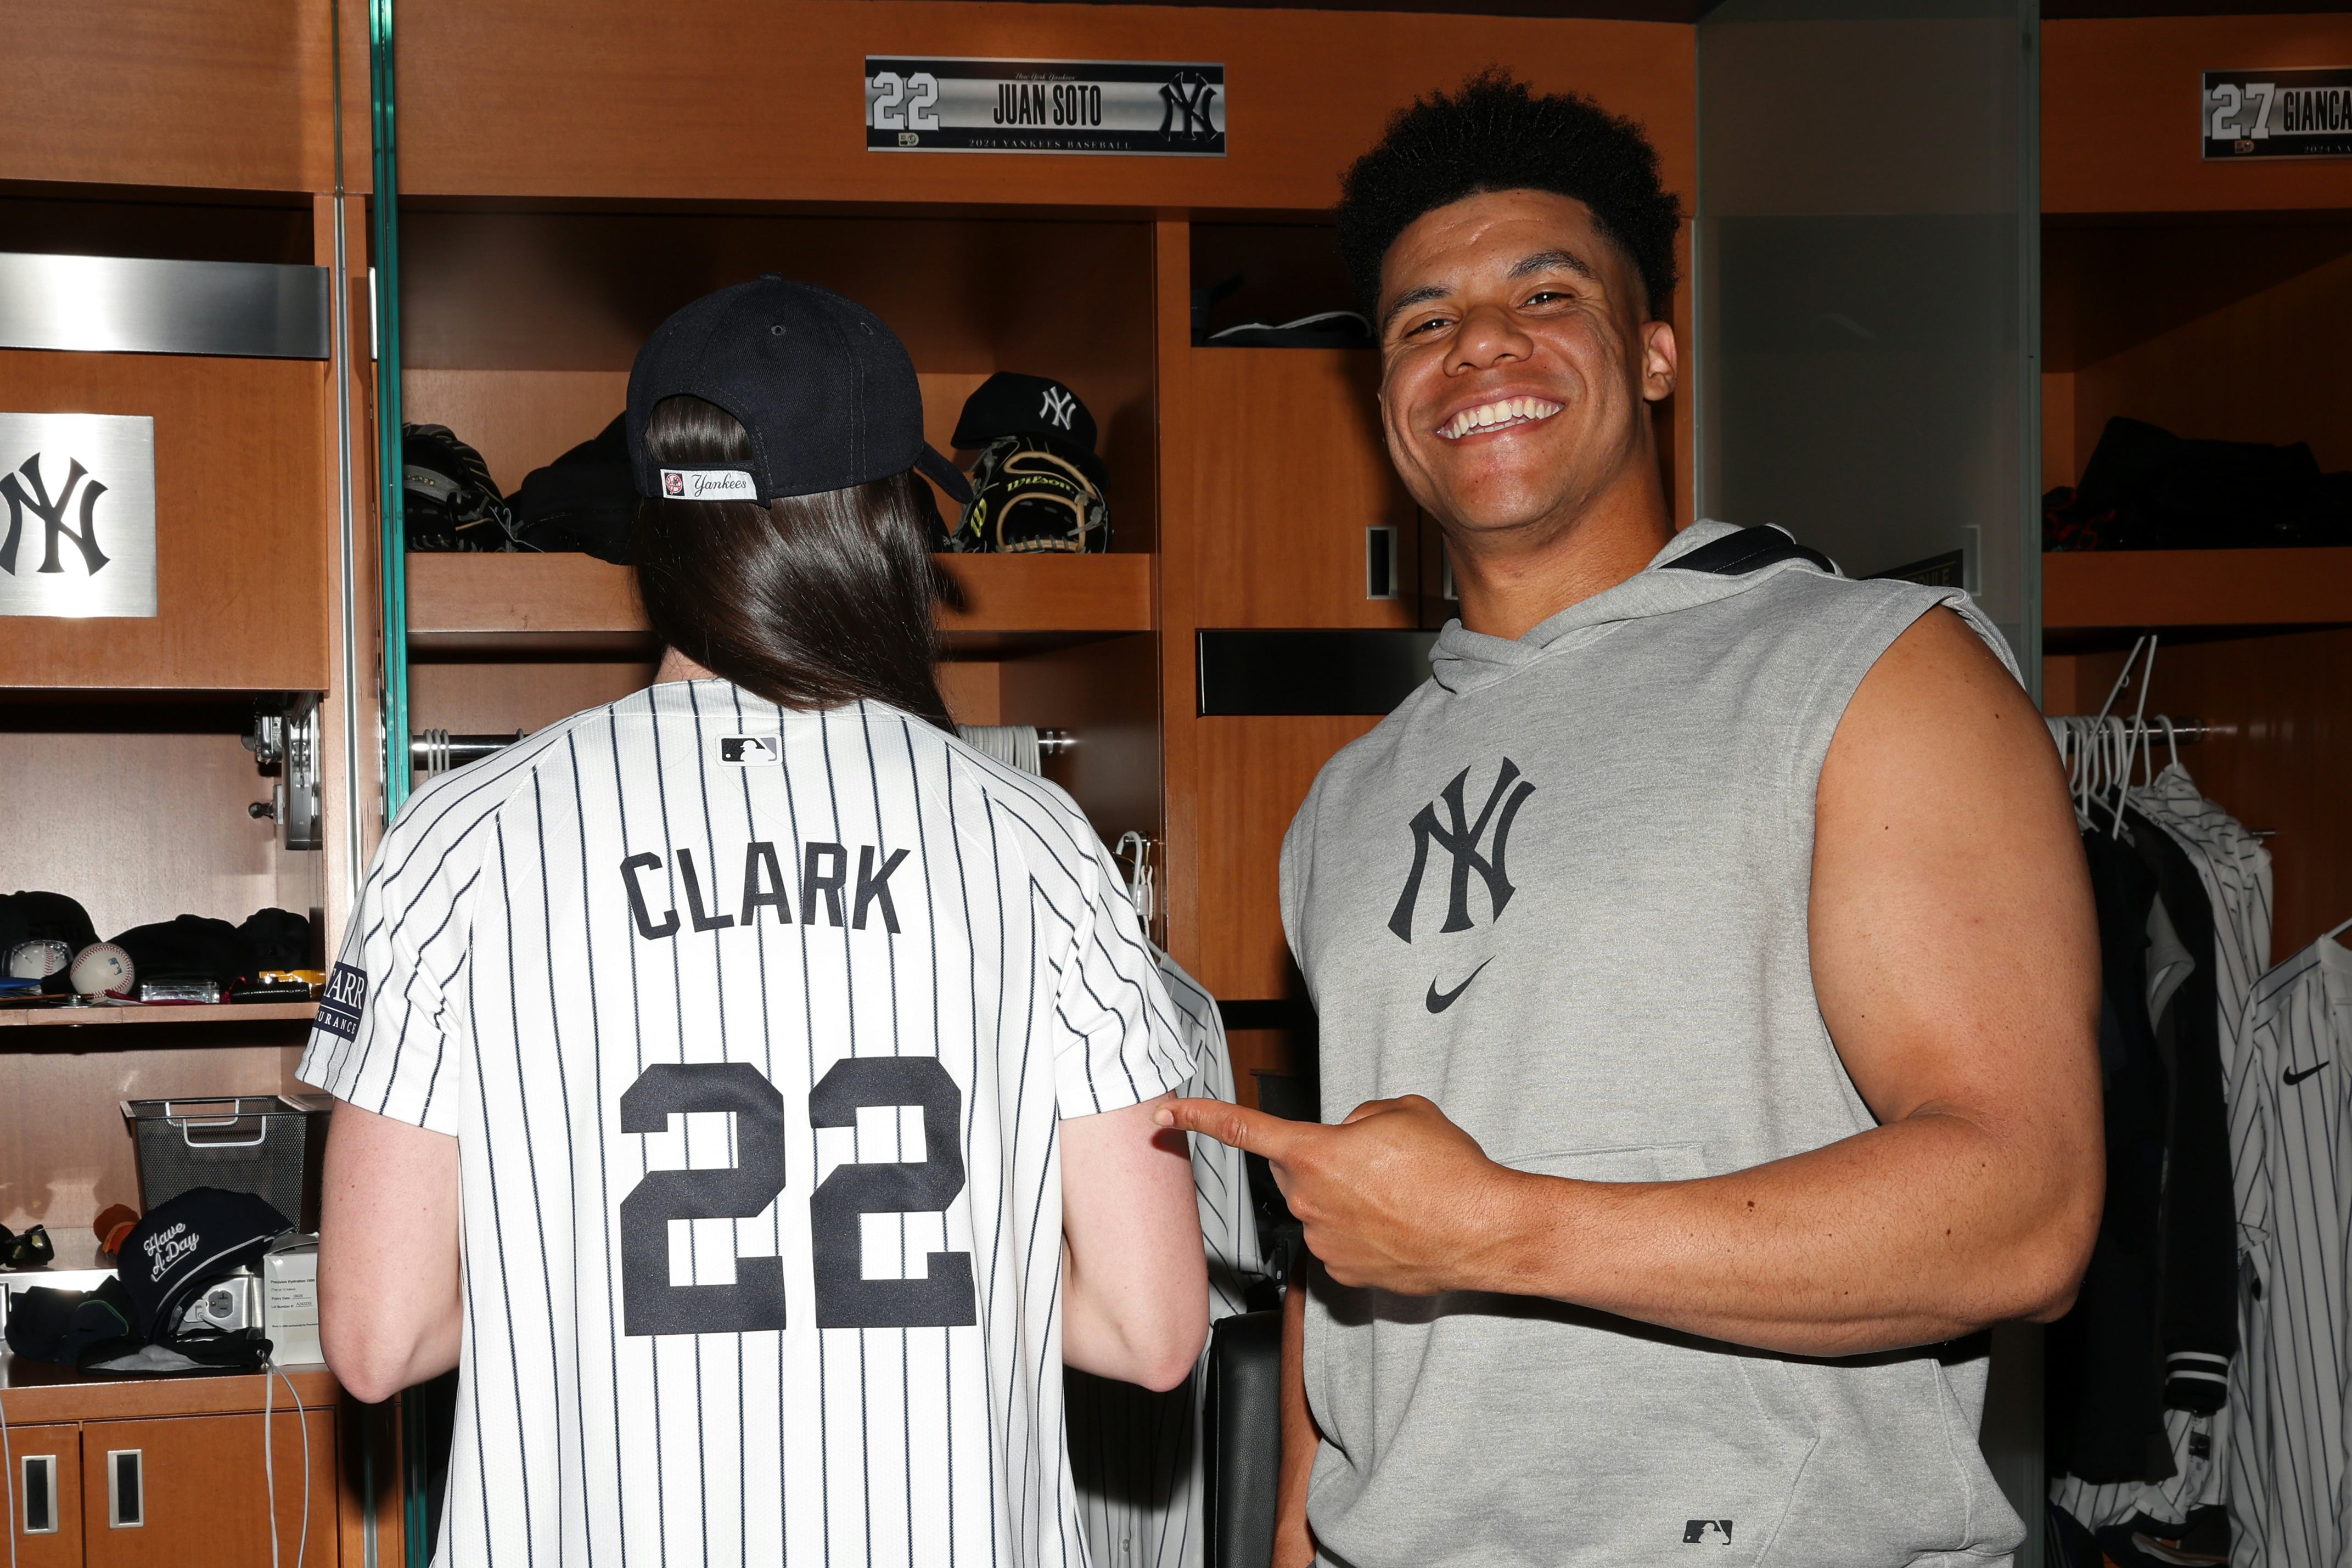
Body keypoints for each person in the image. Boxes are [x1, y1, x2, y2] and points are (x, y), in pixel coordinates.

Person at [1161, 72, 2103, 1568]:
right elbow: (1352, 1253)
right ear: (1381, 392)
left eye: (1545, 292)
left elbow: (2021, 1206)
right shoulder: (1343, 800)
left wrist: (1501, 1229)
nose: (1477, 343)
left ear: (1653, 348)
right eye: (1421, 319)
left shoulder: (1869, 667)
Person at [303, 277, 1208, 1565]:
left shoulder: (457, 839)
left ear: (652, 518)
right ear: (884, 524)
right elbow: (1151, 1328)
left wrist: (569, 1267)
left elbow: (378, 1341)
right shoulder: (1038, 840)